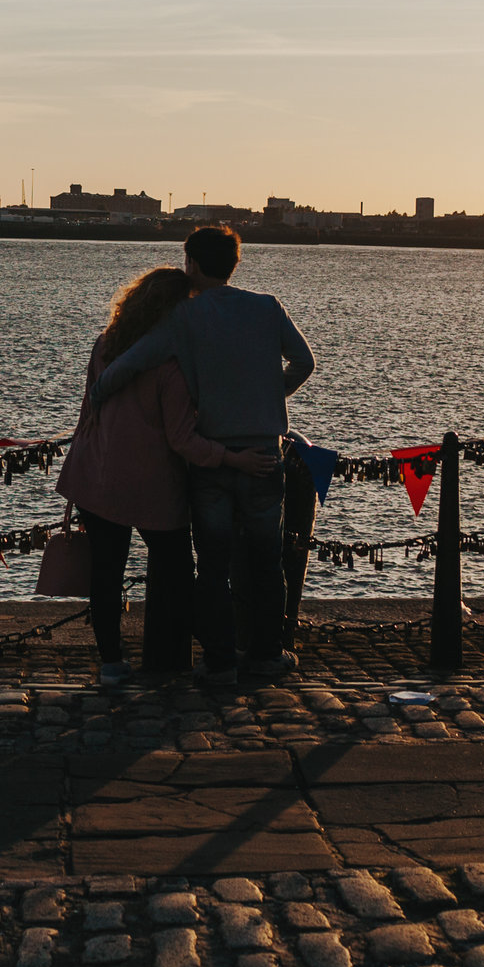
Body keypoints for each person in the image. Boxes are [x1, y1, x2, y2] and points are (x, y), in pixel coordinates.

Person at [86, 226, 313, 683]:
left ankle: (219, 661)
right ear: (234, 263)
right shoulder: (267, 307)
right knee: (267, 560)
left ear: (190, 262)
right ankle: (268, 654)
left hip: (211, 459)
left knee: (212, 566)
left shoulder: (184, 319)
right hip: (265, 453)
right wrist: (270, 401)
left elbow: (129, 364)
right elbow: (304, 362)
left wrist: (100, 392)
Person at [55, 266, 229, 685]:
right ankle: (218, 653)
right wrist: (229, 457)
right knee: (178, 573)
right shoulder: (170, 365)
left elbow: (87, 413)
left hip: (99, 473)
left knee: (106, 573)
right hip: (155, 482)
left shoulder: (105, 346)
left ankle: (111, 663)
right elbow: (182, 438)